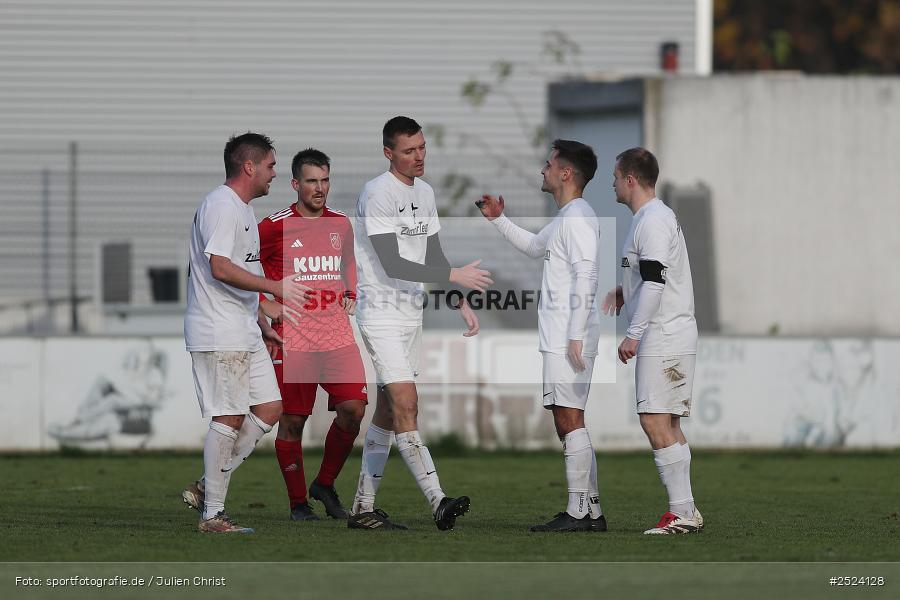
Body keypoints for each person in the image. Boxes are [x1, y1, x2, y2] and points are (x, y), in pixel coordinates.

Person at [348, 116, 492, 530]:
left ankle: (363, 507)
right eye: (409, 151)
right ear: (388, 153)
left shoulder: (425, 192)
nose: (419, 157)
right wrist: (454, 276)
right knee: (407, 404)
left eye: (423, 148)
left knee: (389, 414)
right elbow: (392, 262)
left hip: (412, 311)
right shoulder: (376, 193)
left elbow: (432, 253)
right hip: (380, 312)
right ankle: (438, 500)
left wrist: (458, 298)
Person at [182, 132, 312, 533]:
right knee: (229, 416)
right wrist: (273, 288)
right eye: (271, 165)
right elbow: (219, 268)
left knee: (271, 408)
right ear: (249, 166)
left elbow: (239, 274)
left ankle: (208, 486)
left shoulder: (243, 211)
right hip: (219, 330)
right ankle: (213, 516)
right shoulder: (221, 206)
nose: (275, 173)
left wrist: (261, 317)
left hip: (243, 329)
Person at [477, 139, 608, 532]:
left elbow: (587, 277)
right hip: (563, 335)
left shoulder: (578, 218)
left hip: (568, 338)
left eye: (549, 164)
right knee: (570, 419)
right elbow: (535, 247)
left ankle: (577, 513)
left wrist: (574, 335)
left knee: (569, 420)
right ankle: (592, 512)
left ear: (566, 173)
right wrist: (499, 219)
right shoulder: (569, 217)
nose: (543, 170)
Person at [257, 148, 367, 521]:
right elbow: (240, 264)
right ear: (295, 184)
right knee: (293, 422)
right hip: (295, 338)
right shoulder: (273, 226)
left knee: (353, 410)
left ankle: (324, 483)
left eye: (324, 180)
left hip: (336, 335)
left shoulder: (340, 223)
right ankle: (298, 505)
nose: (319, 188)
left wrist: (351, 292)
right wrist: (262, 303)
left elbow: (348, 261)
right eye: (311, 181)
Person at [602, 147, 703, 534]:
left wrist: (633, 334)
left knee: (654, 420)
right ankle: (687, 511)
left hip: (664, 334)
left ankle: (680, 512)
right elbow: (652, 275)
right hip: (670, 331)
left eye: (615, 176)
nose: (612, 182)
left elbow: (658, 280)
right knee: (668, 422)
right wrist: (626, 290)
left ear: (630, 179)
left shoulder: (653, 221)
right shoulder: (650, 218)